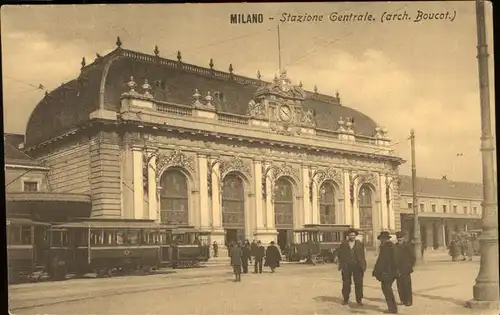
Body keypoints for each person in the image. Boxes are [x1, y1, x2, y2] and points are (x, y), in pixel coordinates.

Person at [336, 228, 366, 306]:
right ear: (348, 236)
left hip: (357, 266)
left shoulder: (360, 244)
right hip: (346, 266)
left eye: (353, 235)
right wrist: (338, 259)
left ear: (355, 236)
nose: (352, 236)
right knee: (346, 283)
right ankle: (346, 299)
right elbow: (338, 252)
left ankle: (359, 300)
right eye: (350, 235)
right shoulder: (344, 244)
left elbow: (362, 256)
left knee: (359, 283)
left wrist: (363, 265)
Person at [372, 231, 399, 314]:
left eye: (382, 239)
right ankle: (392, 308)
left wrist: (393, 271)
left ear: (386, 239)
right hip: (387, 272)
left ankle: (393, 309)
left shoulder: (389, 247)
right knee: (387, 289)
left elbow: (390, 260)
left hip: (388, 272)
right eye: (381, 239)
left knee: (387, 289)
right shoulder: (386, 246)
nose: (381, 240)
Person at [395, 231, 415, 307]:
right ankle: (402, 299)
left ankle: (409, 300)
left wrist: (410, 266)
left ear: (403, 238)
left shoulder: (408, 245)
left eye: (400, 237)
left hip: (406, 269)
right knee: (399, 285)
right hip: (397, 269)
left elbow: (413, 257)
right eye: (398, 237)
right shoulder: (395, 246)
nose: (399, 239)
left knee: (407, 285)